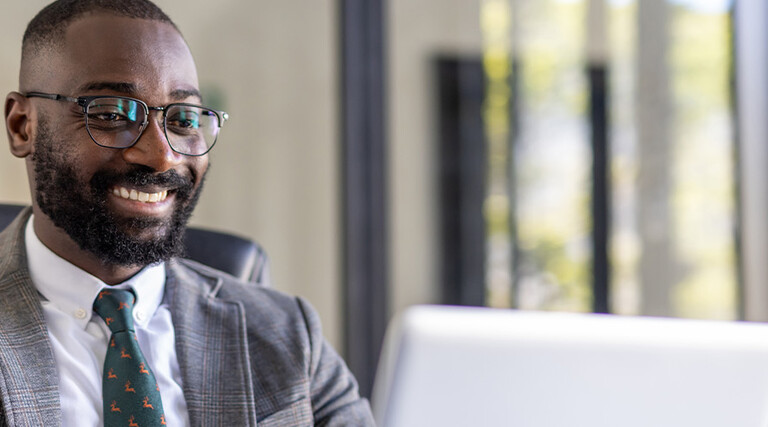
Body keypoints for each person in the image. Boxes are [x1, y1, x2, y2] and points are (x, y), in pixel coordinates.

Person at [0, 0, 375, 425]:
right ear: (22, 126)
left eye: (183, 120)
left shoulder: (289, 336)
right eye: (111, 114)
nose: (163, 156)